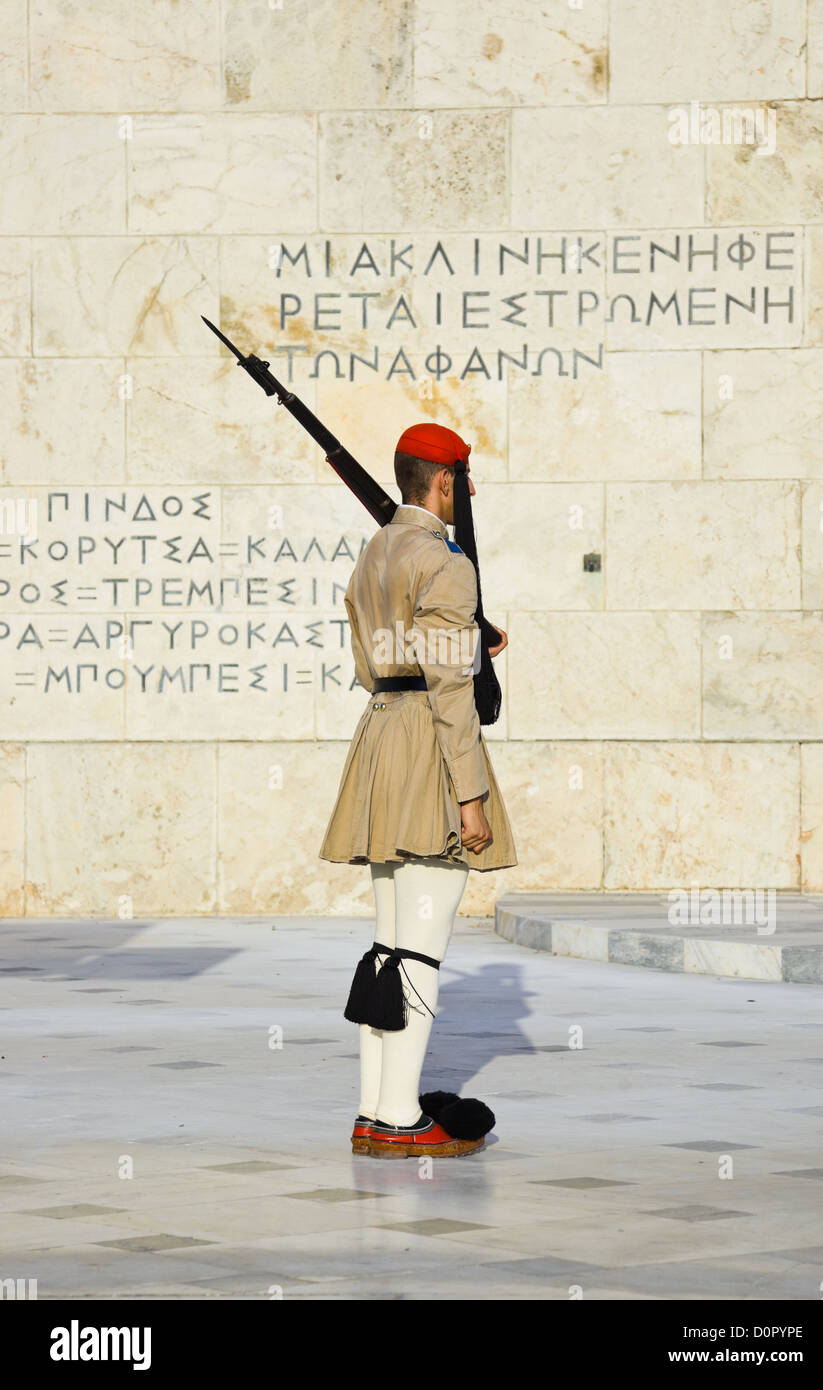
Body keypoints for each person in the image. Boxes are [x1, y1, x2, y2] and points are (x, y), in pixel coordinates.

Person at [319, 422, 517, 1158]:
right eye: (463, 484)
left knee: (388, 945)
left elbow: (381, 652)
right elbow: (448, 689)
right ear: (443, 483)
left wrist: (469, 634)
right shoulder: (443, 561)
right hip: (428, 747)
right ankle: (402, 1117)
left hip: (378, 734)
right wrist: (469, 795)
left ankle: (375, 1110)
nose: (466, 496)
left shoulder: (376, 550)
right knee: (422, 950)